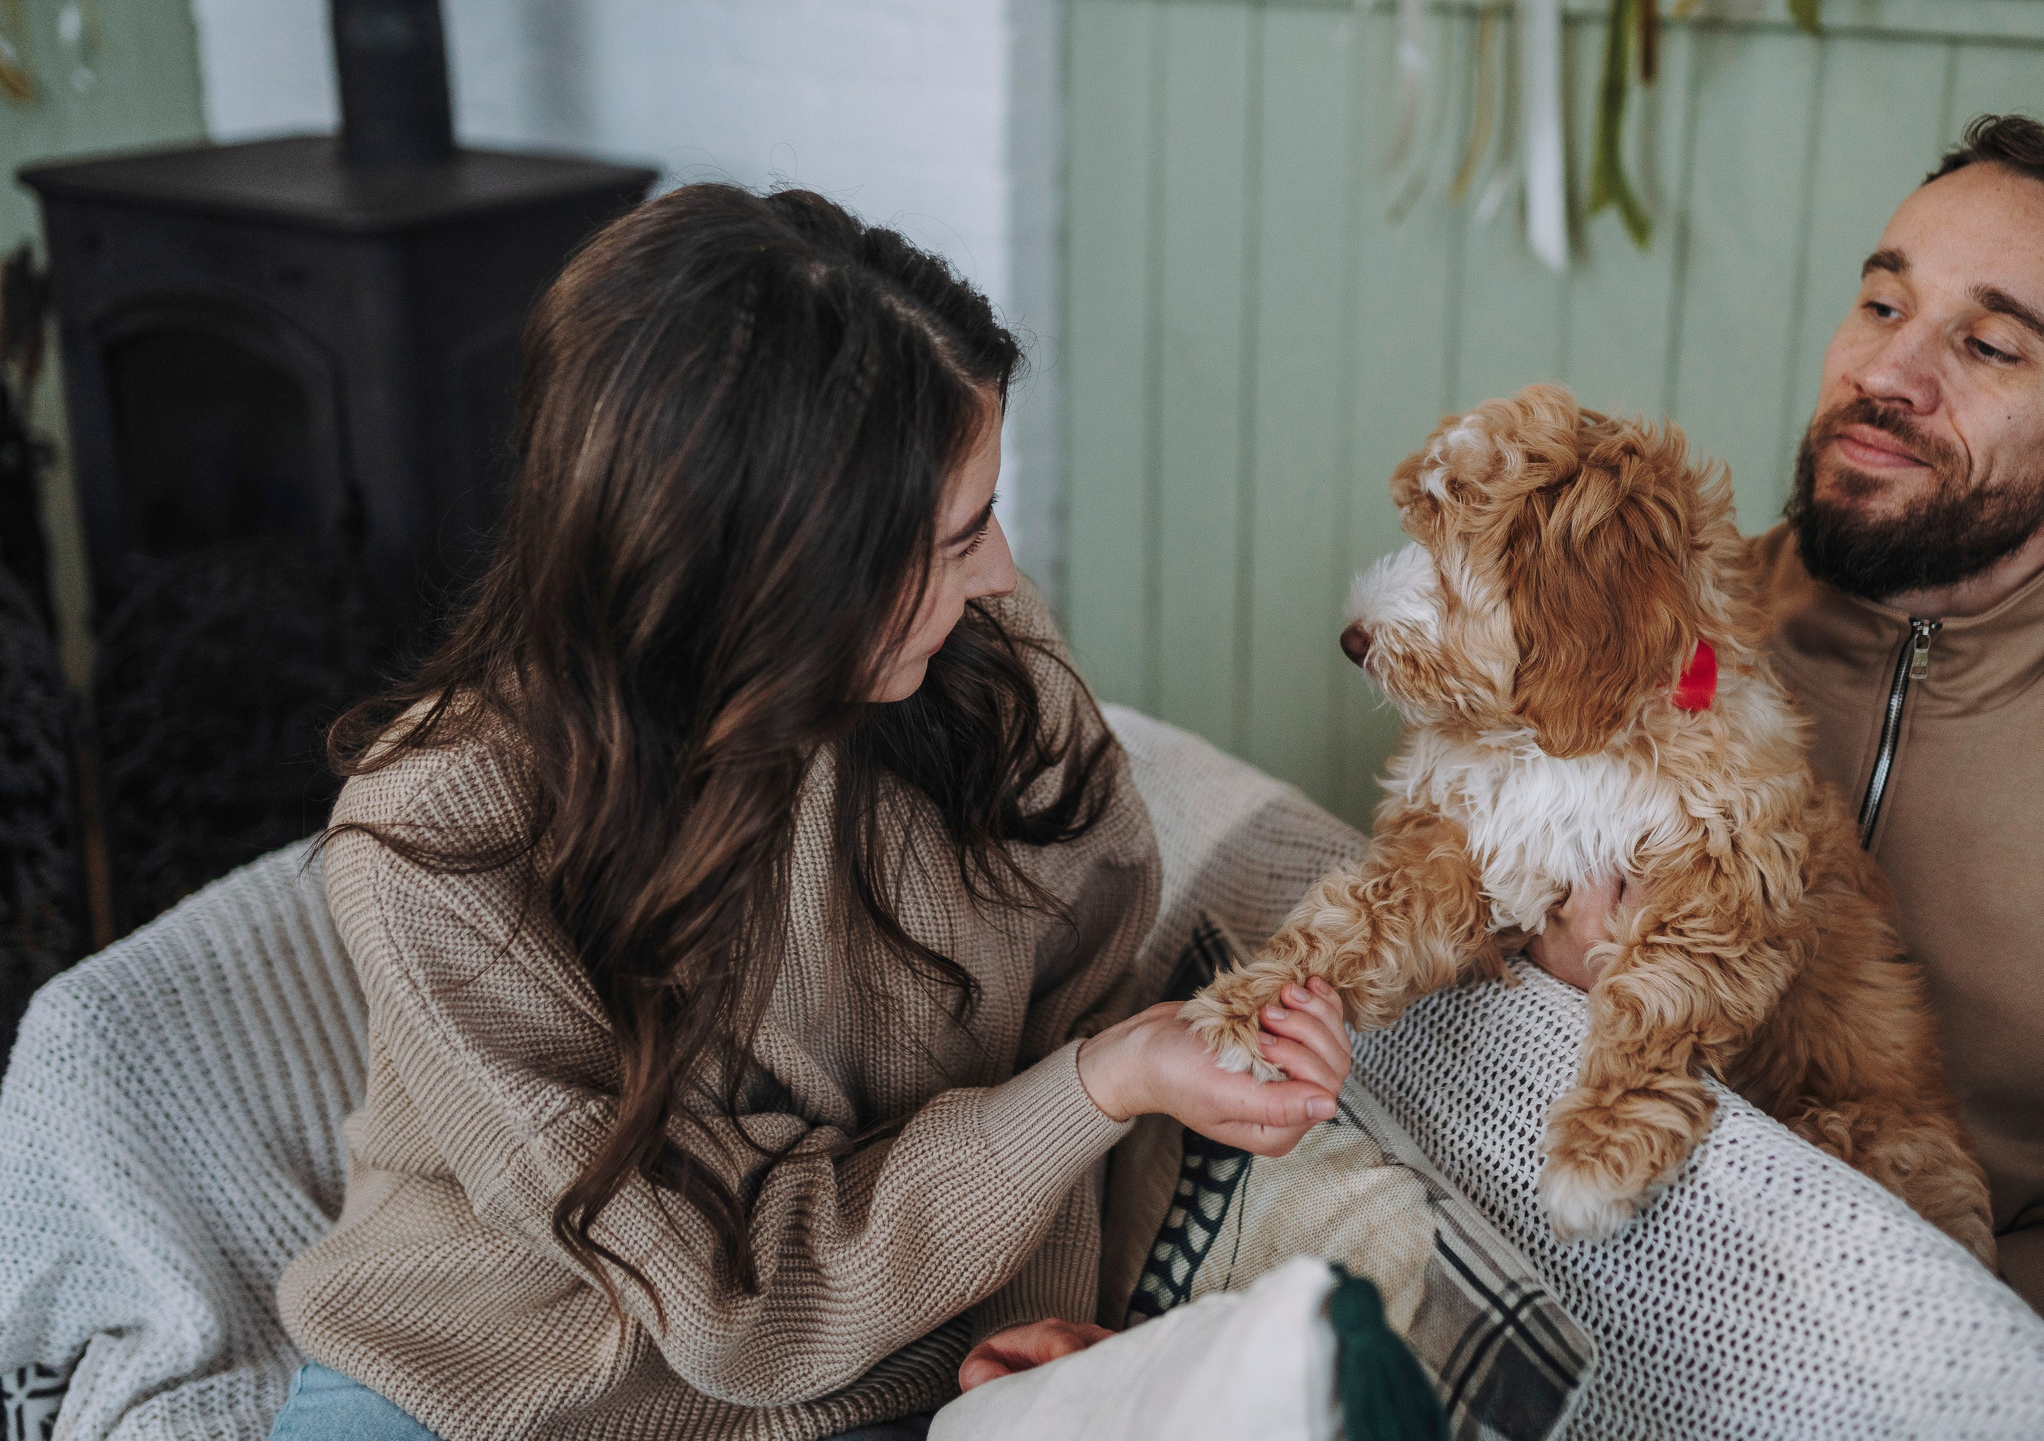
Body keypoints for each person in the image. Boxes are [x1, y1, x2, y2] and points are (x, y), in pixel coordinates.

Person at [269, 185, 1353, 1441]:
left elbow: (1069, 1022)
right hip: (489, 1372)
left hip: (888, 1362)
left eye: (985, 514)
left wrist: (1045, 1344)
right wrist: (1097, 1085)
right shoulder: (437, 839)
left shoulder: (991, 678)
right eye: (956, 536)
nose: (999, 572)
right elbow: (734, 1307)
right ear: (774, 572)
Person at [1529, 115, 2044, 1365]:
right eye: (1882, 303)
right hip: (1550, 1266)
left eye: (1985, 345)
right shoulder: (1622, 627)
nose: (1891, 373)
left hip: (1928, 1353)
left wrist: (1985, 1303)